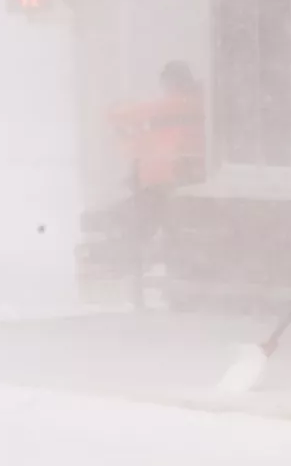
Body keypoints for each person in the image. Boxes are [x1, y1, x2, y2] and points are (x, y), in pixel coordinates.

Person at [79, 60, 205, 293]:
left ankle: (121, 257)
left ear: (172, 84)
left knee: (144, 217)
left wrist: (123, 127)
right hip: (175, 176)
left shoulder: (176, 106)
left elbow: (121, 115)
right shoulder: (195, 105)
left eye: (167, 85)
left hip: (167, 178)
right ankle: (130, 255)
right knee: (150, 219)